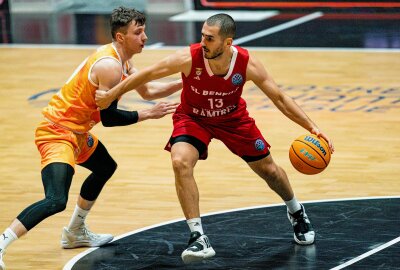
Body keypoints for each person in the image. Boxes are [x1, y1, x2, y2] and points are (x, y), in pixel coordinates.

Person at [95, 13, 335, 264]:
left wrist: (312, 127)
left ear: (228, 42)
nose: (203, 42)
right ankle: (198, 236)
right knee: (180, 162)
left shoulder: (247, 63)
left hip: (233, 120)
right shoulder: (189, 57)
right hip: (193, 118)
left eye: (209, 39)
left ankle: (296, 212)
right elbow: (147, 75)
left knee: (270, 171)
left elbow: (280, 98)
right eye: (202, 36)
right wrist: (112, 93)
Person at [0, 6, 181, 269]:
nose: (145, 37)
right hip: (57, 132)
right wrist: (148, 115)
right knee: (55, 200)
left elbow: (148, 89)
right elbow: (109, 118)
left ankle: (75, 231)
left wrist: (185, 82)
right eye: (138, 32)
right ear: (121, 37)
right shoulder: (109, 65)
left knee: (105, 167)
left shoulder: (124, 60)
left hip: (78, 132)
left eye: (144, 31)